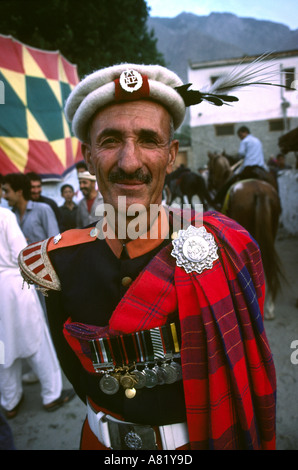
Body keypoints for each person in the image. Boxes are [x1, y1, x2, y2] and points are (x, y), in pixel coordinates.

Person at [18, 63, 276, 450]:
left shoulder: (228, 246)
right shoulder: (55, 263)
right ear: (88, 157)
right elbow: (76, 372)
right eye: (109, 141)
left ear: (171, 155)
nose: (129, 161)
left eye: (149, 140)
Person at [0, 205, 75, 420]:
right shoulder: (5, 216)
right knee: (38, 341)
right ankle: (51, 394)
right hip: (14, 286)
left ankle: (10, 400)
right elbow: (20, 254)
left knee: (3, 348)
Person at [213, 126, 271, 206]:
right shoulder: (258, 141)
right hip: (261, 167)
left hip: (248, 168)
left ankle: (218, 201)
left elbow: (241, 154)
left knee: (229, 183)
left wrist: (230, 156)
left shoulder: (245, 141)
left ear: (246, 132)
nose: (240, 138)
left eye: (241, 135)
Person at [2, 173, 60, 245]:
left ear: (19, 192)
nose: (4, 196)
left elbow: (55, 241)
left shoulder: (43, 209)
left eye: (7, 191)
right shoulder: (12, 215)